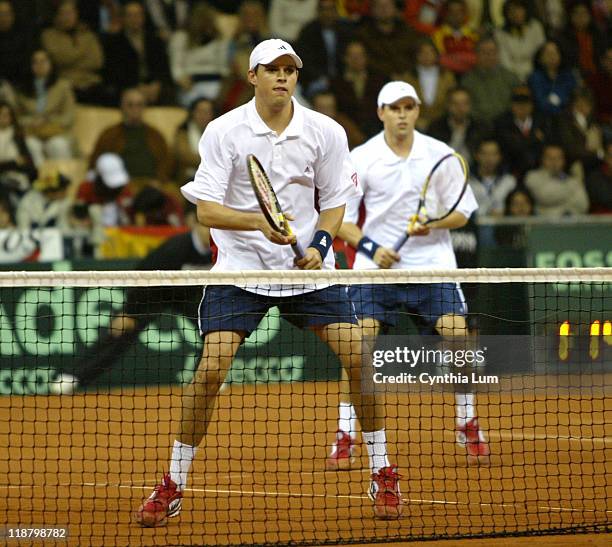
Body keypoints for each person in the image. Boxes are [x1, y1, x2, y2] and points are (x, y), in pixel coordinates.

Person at [135, 38, 402, 526]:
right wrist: (258, 223)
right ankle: (173, 480)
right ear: (252, 76)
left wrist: (320, 245)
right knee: (211, 370)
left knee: (359, 355)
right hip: (241, 269)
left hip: (309, 274)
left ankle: (382, 469)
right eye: (271, 69)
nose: (282, 76)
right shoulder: (223, 131)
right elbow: (205, 210)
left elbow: (336, 199)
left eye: (290, 69)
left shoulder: (325, 131)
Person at [326, 81, 489, 473]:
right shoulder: (360, 158)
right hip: (374, 270)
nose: (402, 114)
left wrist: (432, 222)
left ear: (417, 111)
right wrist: (372, 250)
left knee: (458, 337)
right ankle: (346, 432)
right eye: (394, 108)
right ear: (381, 112)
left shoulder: (441, 155)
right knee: (358, 345)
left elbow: (463, 212)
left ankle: (466, 419)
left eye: (408, 107)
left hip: (432, 262)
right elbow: (340, 221)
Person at [52, 213, 212, 394]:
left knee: (214, 331)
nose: (211, 232)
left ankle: (205, 378)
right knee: (119, 334)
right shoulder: (174, 248)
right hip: (152, 294)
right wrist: (128, 312)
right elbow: (142, 276)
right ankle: (72, 376)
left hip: (188, 296)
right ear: (195, 225)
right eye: (207, 227)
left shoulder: (219, 250)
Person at [89, 87, 172, 185]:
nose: (135, 109)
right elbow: (96, 164)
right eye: (130, 105)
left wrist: (158, 181)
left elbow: (165, 164)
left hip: (151, 186)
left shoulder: (156, 136)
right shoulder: (109, 135)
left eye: (139, 105)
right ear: (122, 107)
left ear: (144, 107)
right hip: (119, 187)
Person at [15, 49, 76, 166]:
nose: (39, 65)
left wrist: (48, 121)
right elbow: (17, 116)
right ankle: (39, 181)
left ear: (51, 64)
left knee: (57, 145)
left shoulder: (63, 86)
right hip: (31, 132)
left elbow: (69, 116)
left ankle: (64, 179)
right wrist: (31, 121)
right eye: (35, 62)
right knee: (30, 144)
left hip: (57, 131)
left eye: (43, 61)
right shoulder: (22, 89)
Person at [40, 0, 106, 104]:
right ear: (57, 16)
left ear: (77, 15)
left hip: (92, 84)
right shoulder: (49, 35)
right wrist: (83, 52)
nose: (67, 17)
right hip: (66, 86)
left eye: (70, 13)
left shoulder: (87, 34)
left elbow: (97, 61)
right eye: (64, 13)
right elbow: (60, 59)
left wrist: (72, 62)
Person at [524, 143, 589, 217]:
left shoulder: (571, 180)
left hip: (570, 225)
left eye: (558, 158)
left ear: (564, 160)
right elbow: (545, 196)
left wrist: (552, 207)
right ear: (542, 159)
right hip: (543, 224)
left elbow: (582, 204)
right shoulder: (532, 177)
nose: (554, 161)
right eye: (550, 158)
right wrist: (570, 191)